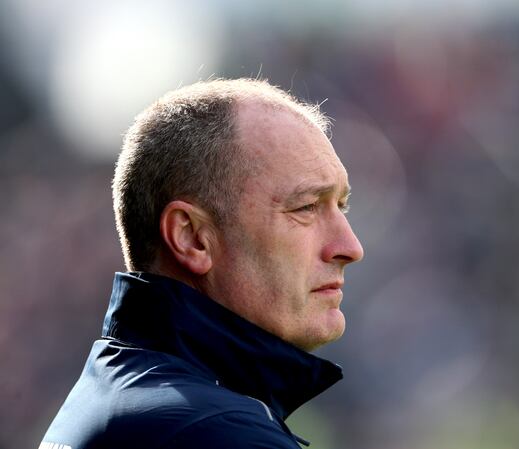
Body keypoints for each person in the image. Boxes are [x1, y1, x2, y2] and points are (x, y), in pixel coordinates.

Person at [40, 78, 365, 449]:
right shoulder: (212, 432)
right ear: (192, 237)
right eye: (305, 207)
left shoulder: (124, 395)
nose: (350, 247)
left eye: (341, 206)